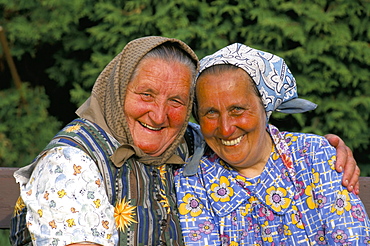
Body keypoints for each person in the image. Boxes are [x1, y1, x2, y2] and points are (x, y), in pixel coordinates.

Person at [10, 36, 359, 246]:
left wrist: (325, 151)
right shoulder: (70, 166)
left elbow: (238, 136)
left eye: (176, 102)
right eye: (146, 94)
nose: (159, 116)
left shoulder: (187, 144)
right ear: (117, 90)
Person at [175, 43, 370, 245]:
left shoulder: (314, 157)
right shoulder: (193, 182)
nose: (225, 129)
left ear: (265, 106)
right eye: (211, 113)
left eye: (238, 110)